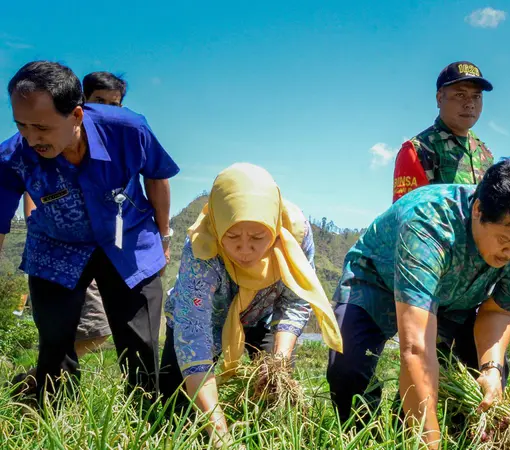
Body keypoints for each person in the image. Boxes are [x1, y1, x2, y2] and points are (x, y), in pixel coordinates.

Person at [327, 156, 510, 449]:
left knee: (483, 379)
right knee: (348, 369)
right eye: (505, 240)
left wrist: (492, 369)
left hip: (454, 299)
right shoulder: (428, 223)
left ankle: (409, 433)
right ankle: (369, 439)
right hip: (376, 282)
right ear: (478, 210)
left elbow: (498, 311)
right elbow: (416, 349)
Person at [0, 61, 178, 403]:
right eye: (21, 125)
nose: (31, 137)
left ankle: (148, 417)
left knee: (140, 339)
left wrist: (164, 235)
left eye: (42, 127)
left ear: (77, 116)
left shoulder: (128, 129)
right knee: (55, 341)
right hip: (55, 245)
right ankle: (55, 417)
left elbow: (156, 175)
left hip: (127, 240)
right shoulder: (14, 157)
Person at [159, 162, 342, 447]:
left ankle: (266, 435)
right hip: (206, 320)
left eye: (258, 237)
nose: (245, 250)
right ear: (219, 228)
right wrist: (220, 434)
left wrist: (278, 361)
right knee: (175, 406)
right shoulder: (201, 246)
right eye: (232, 237)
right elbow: (193, 334)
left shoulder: (294, 235)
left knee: (273, 385)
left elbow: (295, 301)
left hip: (262, 316)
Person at [12, 71, 130, 395]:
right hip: (58, 250)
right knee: (62, 331)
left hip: (104, 250)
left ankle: (39, 374)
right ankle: (47, 384)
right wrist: (37, 218)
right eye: (99, 101)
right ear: (82, 105)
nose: (106, 109)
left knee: (98, 329)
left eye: (114, 104)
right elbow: (32, 185)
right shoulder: (52, 139)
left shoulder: (117, 143)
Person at [392, 61, 495, 203]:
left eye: (476, 96)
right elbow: (408, 218)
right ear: (440, 98)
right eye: (460, 95)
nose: (470, 104)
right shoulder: (417, 151)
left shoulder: (485, 154)